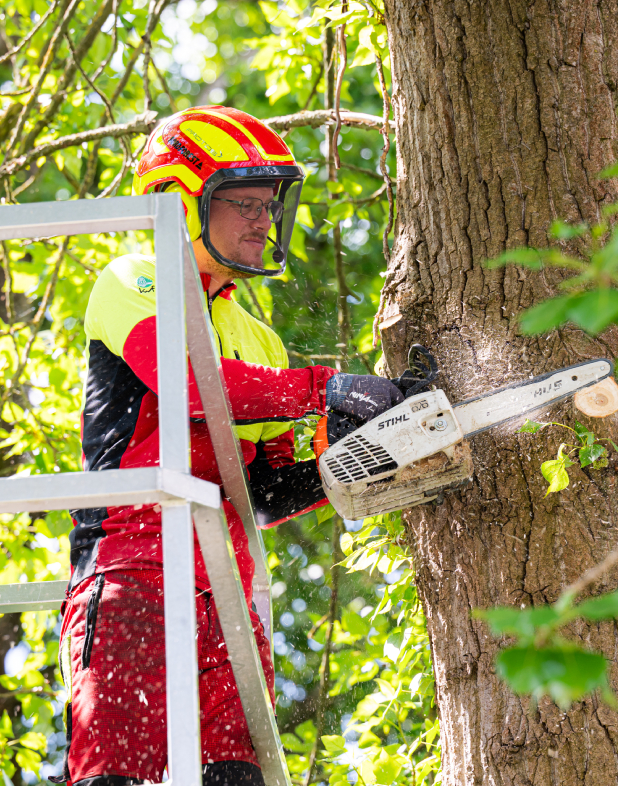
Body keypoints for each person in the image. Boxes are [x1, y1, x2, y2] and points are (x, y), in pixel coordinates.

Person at [58, 105, 405, 786]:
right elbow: (186, 381)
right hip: (132, 572)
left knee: (238, 776)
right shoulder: (131, 279)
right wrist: (324, 387)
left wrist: (357, 452)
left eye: (269, 205)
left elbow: (266, 492)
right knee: (113, 777)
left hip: (229, 591)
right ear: (179, 202)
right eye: (242, 201)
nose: (262, 221)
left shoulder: (260, 339)